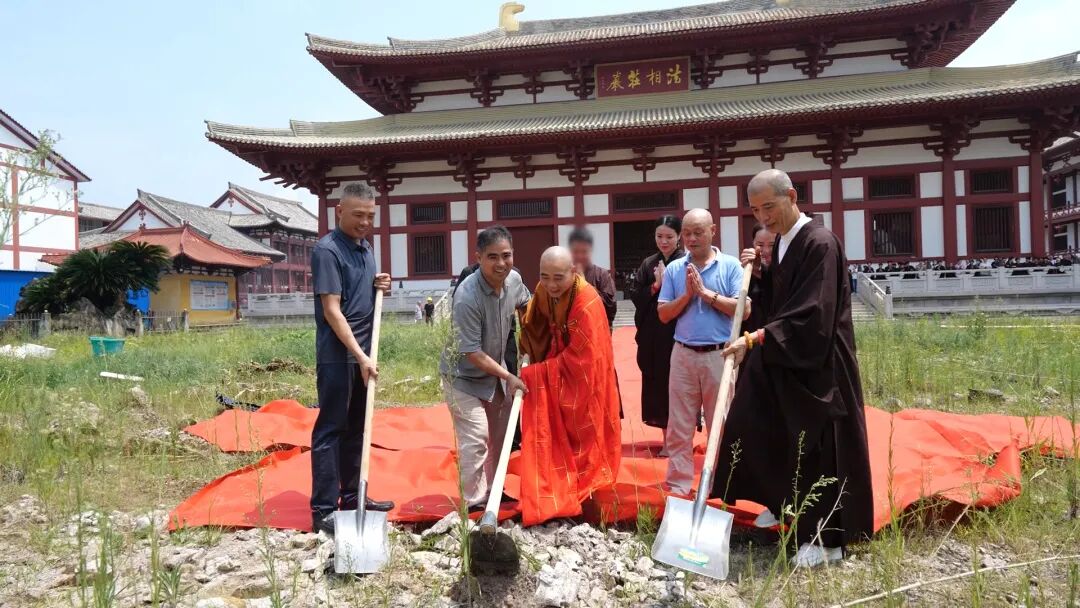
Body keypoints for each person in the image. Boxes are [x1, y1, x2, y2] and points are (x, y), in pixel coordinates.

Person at [713, 168, 873, 568]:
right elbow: (778, 303)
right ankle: (779, 501)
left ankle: (828, 540)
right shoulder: (783, 243)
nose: (764, 217)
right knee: (754, 418)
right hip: (785, 353)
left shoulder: (820, 242)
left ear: (792, 195)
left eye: (770, 206)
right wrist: (762, 276)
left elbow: (812, 311)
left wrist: (757, 338)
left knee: (818, 446)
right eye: (755, 210)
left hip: (818, 361)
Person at [309, 182, 394, 536]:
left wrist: (380, 283)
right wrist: (358, 355)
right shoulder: (327, 251)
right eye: (358, 214)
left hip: (364, 353)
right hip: (338, 356)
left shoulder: (365, 249)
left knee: (359, 428)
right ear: (339, 212)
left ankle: (352, 496)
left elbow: (361, 289)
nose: (364, 222)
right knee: (332, 428)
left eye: (370, 216)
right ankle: (323, 509)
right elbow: (332, 310)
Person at [517, 246, 622, 525]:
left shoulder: (587, 302)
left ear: (573, 272)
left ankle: (583, 499)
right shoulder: (544, 289)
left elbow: (584, 359)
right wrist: (531, 349)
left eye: (558, 278)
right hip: (559, 368)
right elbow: (534, 322)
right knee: (556, 430)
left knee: (584, 433)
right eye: (544, 277)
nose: (551, 285)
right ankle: (559, 494)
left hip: (585, 380)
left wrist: (539, 373)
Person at [656, 209, 748, 496]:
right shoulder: (674, 269)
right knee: (680, 424)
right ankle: (679, 484)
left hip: (719, 355)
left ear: (713, 231)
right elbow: (663, 314)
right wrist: (687, 294)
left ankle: (720, 483)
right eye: (687, 233)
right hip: (683, 353)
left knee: (720, 420)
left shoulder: (731, 266)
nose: (691, 239)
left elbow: (743, 310)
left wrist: (706, 294)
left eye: (698, 232)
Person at [439, 226, 531, 510]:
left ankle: (494, 492)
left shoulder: (514, 280)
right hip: (463, 378)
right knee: (477, 437)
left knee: (501, 439)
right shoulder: (467, 296)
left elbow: (527, 305)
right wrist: (509, 375)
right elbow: (472, 352)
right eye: (493, 257)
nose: (501, 263)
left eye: (506, 255)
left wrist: (529, 339)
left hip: (495, 373)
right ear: (478, 257)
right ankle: (474, 503)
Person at [625, 215, 686, 442]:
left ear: (679, 237)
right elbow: (636, 296)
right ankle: (666, 438)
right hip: (653, 335)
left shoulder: (685, 261)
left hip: (678, 332)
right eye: (659, 236)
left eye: (669, 236)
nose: (664, 241)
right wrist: (655, 286)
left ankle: (680, 437)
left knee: (679, 384)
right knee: (658, 384)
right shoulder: (649, 263)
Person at [567, 227, 617, 328]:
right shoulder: (565, 275)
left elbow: (610, 308)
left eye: (584, 251)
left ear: (590, 251)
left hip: (596, 331)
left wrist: (583, 284)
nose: (580, 256)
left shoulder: (602, 275)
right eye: (576, 252)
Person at [745, 223, 775, 334]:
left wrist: (759, 268)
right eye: (760, 245)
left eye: (772, 245)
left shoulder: (787, 270)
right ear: (753, 244)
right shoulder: (744, 270)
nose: (766, 251)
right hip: (748, 337)